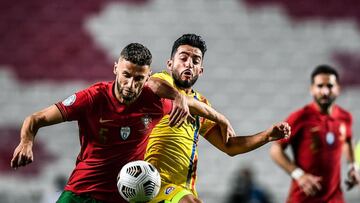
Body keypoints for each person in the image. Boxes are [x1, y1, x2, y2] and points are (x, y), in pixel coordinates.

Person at [10, 43, 234, 203]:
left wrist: (220, 118)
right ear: (116, 68)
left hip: (125, 196)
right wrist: (26, 141)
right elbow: (36, 118)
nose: (130, 84)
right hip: (83, 191)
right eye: (126, 75)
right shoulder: (92, 98)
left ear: (146, 79)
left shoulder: (151, 103)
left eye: (138, 79)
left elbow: (192, 104)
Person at [144, 34, 291, 203]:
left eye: (196, 60)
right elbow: (152, 84)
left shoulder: (203, 105)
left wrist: (266, 136)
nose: (189, 63)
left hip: (182, 188)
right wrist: (221, 118)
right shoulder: (163, 82)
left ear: (201, 70)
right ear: (170, 64)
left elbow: (229, 146)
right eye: (183, 58)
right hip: (151, 181)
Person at [270, 65, 360, 203]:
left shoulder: (345, 117)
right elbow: (276, 149)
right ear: (312, 89)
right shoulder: (300, 117)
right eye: (320, 86)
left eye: (329, 86)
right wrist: (298, 175)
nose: (324, 91)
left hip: (334, 198)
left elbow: (347, 141)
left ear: (338, 89)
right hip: (304, 197)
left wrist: (352, 167)